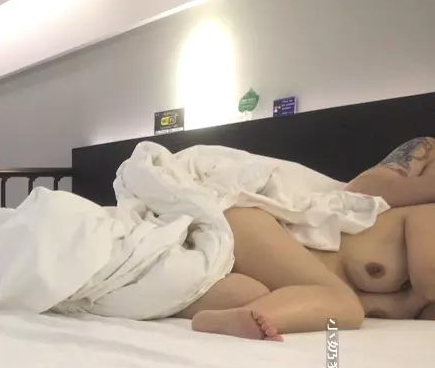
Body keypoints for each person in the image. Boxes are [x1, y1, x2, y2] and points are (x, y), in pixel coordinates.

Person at [178, 137, 435, 341]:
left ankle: (207, 315)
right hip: (254, 227)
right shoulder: (425, 214)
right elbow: (428, 281)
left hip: (266, 278)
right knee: (344, 305)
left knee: (246, 293)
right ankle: (252, 314)